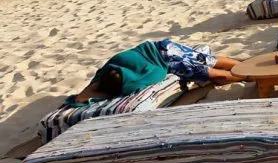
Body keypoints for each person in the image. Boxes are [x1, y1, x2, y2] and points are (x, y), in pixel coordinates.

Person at [72, 40, 243, 104]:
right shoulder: (110, 67)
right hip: (164, 46)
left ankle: (247, 76)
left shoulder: (135, 81)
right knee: (206, 58)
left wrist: (100, 95)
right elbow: (90, 88)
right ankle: (243, 65)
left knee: (216, 75)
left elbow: (160, 74)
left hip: (170, 61)